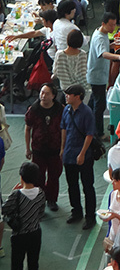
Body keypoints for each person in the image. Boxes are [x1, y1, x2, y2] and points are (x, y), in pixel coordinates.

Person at [60, 83, 97, 229]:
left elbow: (89, 135)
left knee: (88, 186)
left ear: (78, 97)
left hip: (84, 156)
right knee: (72, 185)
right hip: (69, 154)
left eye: (69, 94)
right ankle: (76, 212)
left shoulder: (87, 112)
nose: (66, 96)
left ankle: (90, 216)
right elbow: (64, 128)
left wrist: (82, 154)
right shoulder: (67, 110)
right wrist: (62, 148)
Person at [24, 82, 64, 212]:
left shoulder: (60, 110)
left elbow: (64, 129)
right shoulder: (33, 109)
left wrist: (63, 148)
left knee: (54, 175)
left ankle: (52, 200)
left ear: (53, 95)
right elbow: (27, 128)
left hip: (55, 149)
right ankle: (39, 202)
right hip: (38, 149)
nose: (43, 96)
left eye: (47, 93)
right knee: (38, 177)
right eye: (42, 92)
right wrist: (27, 148)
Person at [87, 13, 120, 138]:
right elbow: (103, 53)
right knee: (100, 105)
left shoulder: (100, 33)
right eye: (110, 25)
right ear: (103, 23)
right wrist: (118, 56)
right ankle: (98, 133)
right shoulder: (99, 37)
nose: (113, 28)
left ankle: (87, 122)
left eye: (114, 25)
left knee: (94, 100)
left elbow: (103, 48)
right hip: (97, 75)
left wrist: (111, 46)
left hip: (98, 74)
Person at [3, 161, 45, 270]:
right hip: (35, 233)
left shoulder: (16, 195)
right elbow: (41, 212)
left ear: (21, 177)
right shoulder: (41, 193)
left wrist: (14, 191)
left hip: (19, 235)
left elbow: (4, 209)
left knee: (17, 265)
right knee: (33, 263)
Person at [53, 28, 88, 93]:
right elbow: (83, 73)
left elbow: (56, 72)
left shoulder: (59, 54)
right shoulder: (83, 54)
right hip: (80, 88)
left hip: (66, 88)